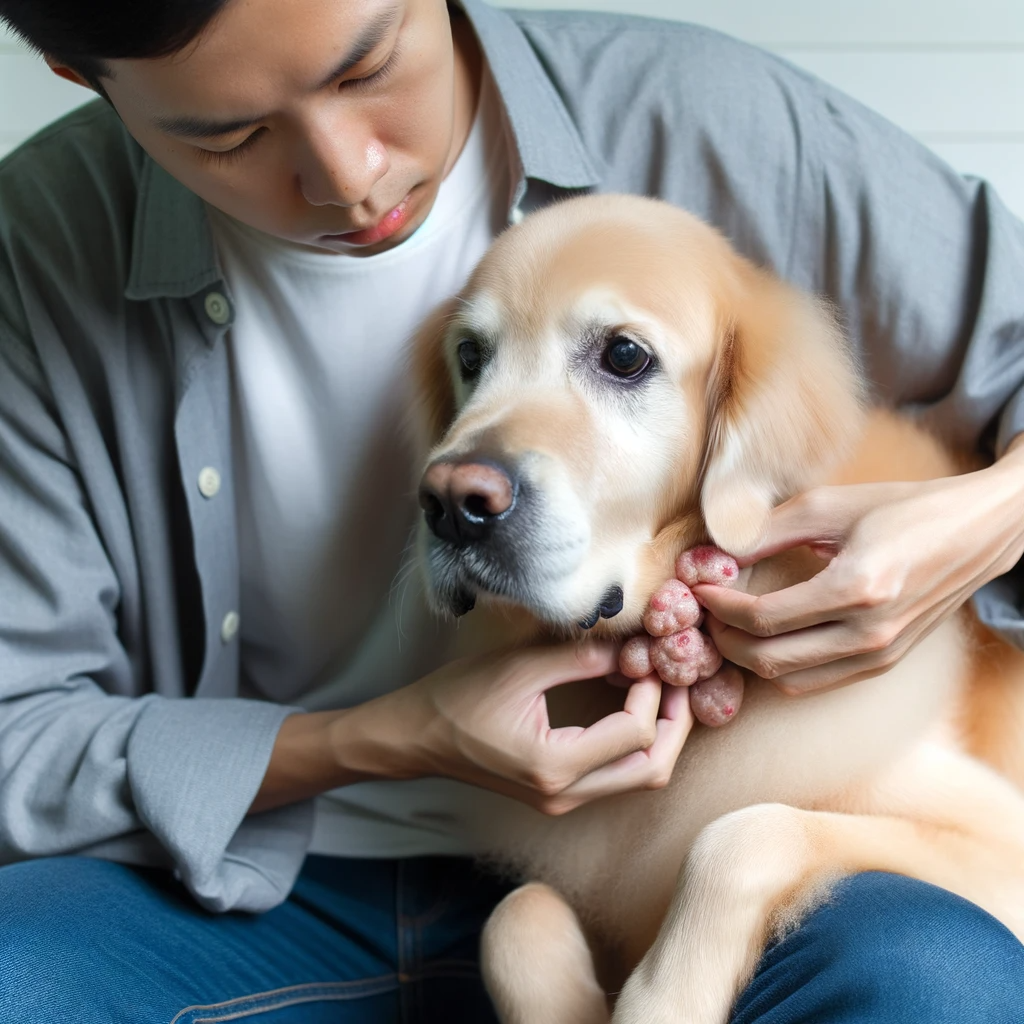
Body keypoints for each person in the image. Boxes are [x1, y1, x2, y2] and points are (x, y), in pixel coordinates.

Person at [0, 0, 1022, 1020]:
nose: (349, 177)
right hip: (255, 884)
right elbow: (16, 733)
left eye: (368, 67)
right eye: (232, 135)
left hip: (660, 867)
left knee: (939, 975)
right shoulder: (37, 244)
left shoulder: (708, 119)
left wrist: (986, 521)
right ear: (76, 72)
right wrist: (386, 736)